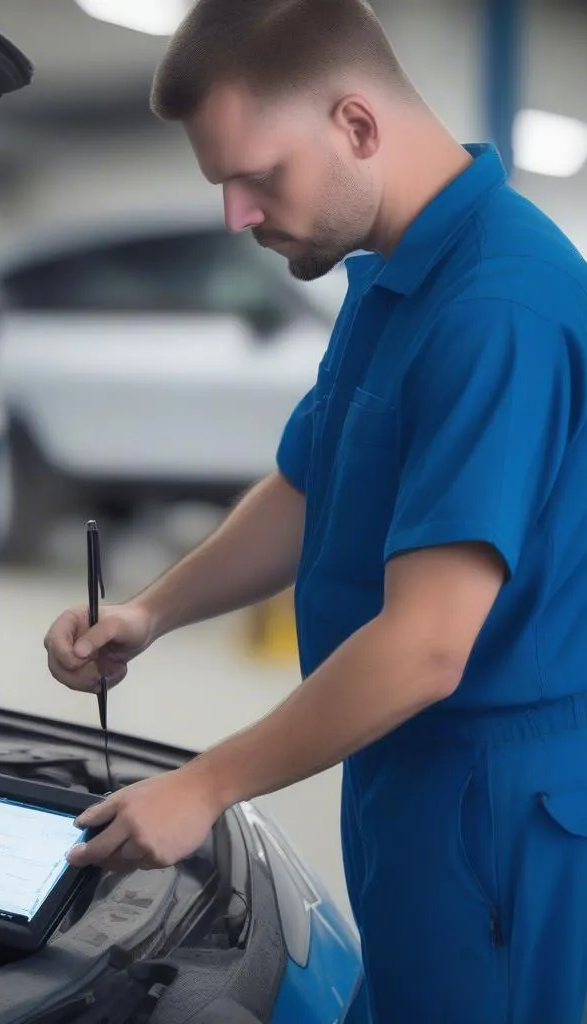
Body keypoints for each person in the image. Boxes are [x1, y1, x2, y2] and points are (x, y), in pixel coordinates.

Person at [42, 1, 587, 1020]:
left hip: (501, 807)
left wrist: (205, 783)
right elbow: (307, 485)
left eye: (256, 176)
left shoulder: (495, 309)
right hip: (408, 776)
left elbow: (427, 646)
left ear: (356, 125)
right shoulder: (392, 276)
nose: (236, 214)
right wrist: (149, 612)